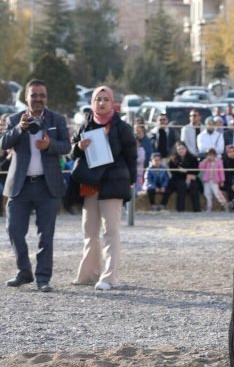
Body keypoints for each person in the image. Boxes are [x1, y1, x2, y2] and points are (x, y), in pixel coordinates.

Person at [2, 79, 70, 293]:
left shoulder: (57, 119)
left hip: (47, 185)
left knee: (46, 235)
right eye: (34, 95)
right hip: (20, 186)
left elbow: (67, 146)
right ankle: (24, 272)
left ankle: (43, 278)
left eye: (42, 95)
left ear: (46, 98)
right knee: (13, 229)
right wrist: (19, 129)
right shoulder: (14, 119)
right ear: (26, 97)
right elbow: (3, 143)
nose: (38, 99)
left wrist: (50, 145)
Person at [70, 86, 136, 291]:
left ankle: (109, 277)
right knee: (89, 231)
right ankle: (88, 274)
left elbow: (132, 157)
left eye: (106, 99)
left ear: (112, 102)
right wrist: (78, 148)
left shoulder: (122, 127)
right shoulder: (85, 126)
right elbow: (72, 154)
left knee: (111, 232)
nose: (102, 102)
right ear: (92, 102)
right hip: (90, 185)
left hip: (113, 185)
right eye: (98, 99)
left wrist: (131, 181)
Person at [167, 141, 200, 212]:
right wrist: (187, 174)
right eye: (179, 149)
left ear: (186, 149)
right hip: (178, 179)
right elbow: (174, 173)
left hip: (191, 178)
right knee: (181, 185)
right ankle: (180, 209)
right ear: (176, 150)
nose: (181, 150)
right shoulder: (172, 160)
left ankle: (197, 209)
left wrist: (185, 172)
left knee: (193, 185)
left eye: (183, 148)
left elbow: (196, 171)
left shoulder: (193, 158)